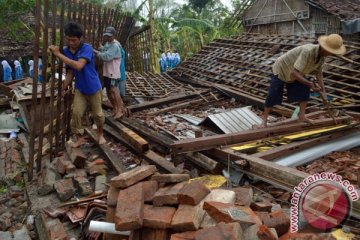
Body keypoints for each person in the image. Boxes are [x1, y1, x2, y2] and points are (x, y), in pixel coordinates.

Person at [259, 34, 346, 128]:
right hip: (282, 69)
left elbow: (319, 74)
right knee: (273, 95)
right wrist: (310, 84)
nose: (332, 54)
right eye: (332, 52)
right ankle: (264, 122)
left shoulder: (322, 58)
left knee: (304, 89)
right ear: (326, 49)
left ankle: (302, 116)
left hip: (297, 72)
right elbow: (294, 73)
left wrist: (323, 94)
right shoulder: (307, 51)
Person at [48, 21, 106, 147]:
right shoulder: (66, 51)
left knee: (98, 114)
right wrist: (63, 88)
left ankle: (100, 134)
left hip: (93, 87)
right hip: (80, 88)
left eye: (74, 40)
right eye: (68, 40)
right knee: (76, 113)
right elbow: (71, 72)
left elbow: (79, 66)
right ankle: (79, 138)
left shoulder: (87, 48)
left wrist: (58, 54)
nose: (71, 43)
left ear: (80, 38)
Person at [94, 26, 125, 119]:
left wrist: (95, 52)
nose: (107, 37)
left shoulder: (115, 45)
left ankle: (120, 110)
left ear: (113, 35)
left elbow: (107, 57)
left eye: (109, 36)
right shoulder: (108, 43)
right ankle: (115, 108)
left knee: (114, 90)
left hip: (113, 72)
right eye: (106, 36)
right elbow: (105, 50)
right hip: (107, 71)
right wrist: (101, 48)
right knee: (108, 91)